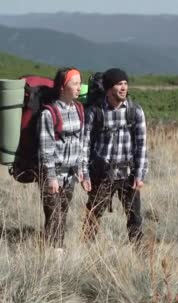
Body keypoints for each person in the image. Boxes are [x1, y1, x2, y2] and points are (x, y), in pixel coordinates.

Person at [81, 68, 148, 244]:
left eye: (125, 83)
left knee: (135, 219)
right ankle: (86, 255)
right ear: (109, 88)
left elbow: (142, 145)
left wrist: (140, 174)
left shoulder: (136, 111)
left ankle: (140, 257)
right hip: (102, 174)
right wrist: (85, 174)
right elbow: (84, 145)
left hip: (128, 174)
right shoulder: (95, 112)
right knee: (93, 216)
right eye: (119, 84)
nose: (123, 87)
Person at [38, 67, 84, 250]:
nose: (79, 87)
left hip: (70, 174)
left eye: (80, 83)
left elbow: (80, 142)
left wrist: (80, 168)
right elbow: (46, 148)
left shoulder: (79, 110)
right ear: (62, 87)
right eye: (75, 83)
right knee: (54, 215)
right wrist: (51, 177)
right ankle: (55, 255)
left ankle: (55, 250)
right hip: (54, 174)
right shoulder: (49, 114)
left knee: (62, 214)